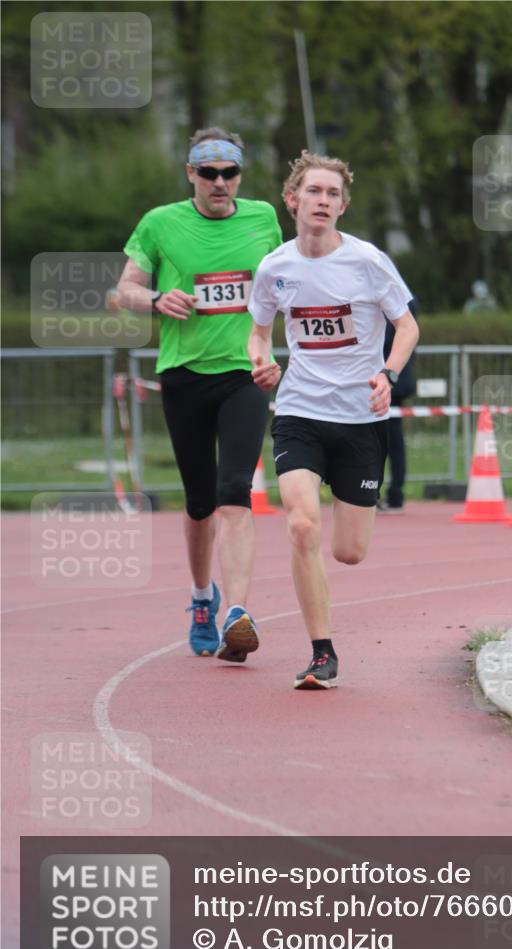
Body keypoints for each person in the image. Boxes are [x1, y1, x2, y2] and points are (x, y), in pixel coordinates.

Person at [247, 151, 419, 690]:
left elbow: (408, 327)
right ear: (292, 200)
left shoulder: (368, 262)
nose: (323, 201)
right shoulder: (274, 267)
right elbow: (258, 329)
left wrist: (387, 374)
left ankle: (331, 605)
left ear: (343, 206)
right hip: (299, 410)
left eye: (332, 194)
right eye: (314, 191)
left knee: (348, 551)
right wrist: (260, 357)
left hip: (361, 418)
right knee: (301, 526)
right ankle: (323, 653)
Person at [117, 127, 282, 658]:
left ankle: (237, 610)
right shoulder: (160, 223)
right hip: (185, 375)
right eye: (207, 173)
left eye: (228, 173)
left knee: (236, 490)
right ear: (190, 173)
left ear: (240, 174)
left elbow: (287, 285)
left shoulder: (263, 219)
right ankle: (200, 598)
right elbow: (122, 291)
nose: (218, 182)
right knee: (199, 501)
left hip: (244, 373)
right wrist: (158, 298)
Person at [377, 298, 418, 513]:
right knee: (390, 438)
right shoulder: (404, 298)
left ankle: (392, 493)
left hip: (388, 378)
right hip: (394, 377)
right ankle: (392, 493)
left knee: (388, 438)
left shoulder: (393, 299)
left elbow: (389, 340)